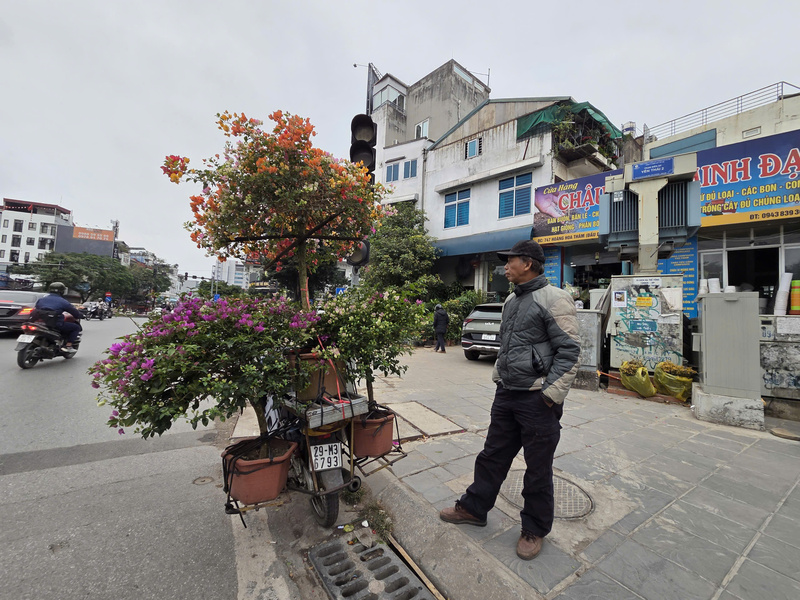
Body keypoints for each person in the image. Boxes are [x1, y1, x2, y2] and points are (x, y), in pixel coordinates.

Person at [439, 240, 580, 560]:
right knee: (492, 456)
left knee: (537, 469)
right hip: (507, 394)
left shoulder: (555, 299)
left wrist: (549, 396)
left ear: (528, 263)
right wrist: (501, 378)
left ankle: (534, 528)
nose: (505, 266)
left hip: (536, 400)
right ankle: (474, 508)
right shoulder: (511, 301)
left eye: (510, 260)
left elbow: (570, 352)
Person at [33, 282, 83, 352]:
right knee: (76, 327)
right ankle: (68, 346)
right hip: (54, 323)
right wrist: (80, 315)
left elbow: (37, 308)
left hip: (38, 322)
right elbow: (74, 312)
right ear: (62, 291)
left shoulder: (41, 299)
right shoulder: (63, 301)